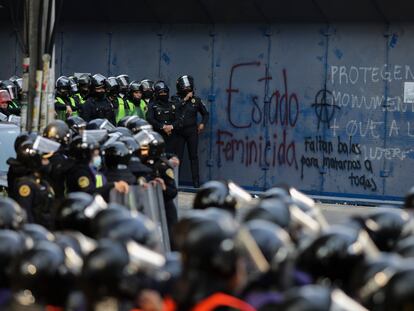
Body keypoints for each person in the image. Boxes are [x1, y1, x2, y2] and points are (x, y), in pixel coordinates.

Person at [173, 75, 209, 188]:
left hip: (192, 131)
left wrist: (202, 123)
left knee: (193, 156)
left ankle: (196, 182)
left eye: (189, 88)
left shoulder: (196, 100)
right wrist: (185, 99)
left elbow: (206, 113)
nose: (188, 90)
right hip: (179, 132)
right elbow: (173, 109)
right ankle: (175, 181)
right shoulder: (175, 99)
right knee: (178, 157)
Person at [146, 81, 180, 154]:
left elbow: (179, 119)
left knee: (171, 157)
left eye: (165, 92)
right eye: (161, 92)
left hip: (171, 136)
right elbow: (150, 118)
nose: (163, 94)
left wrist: (171, 126)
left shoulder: (172, 105)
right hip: (157, 135)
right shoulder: (152, 105)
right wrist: (163, 126)